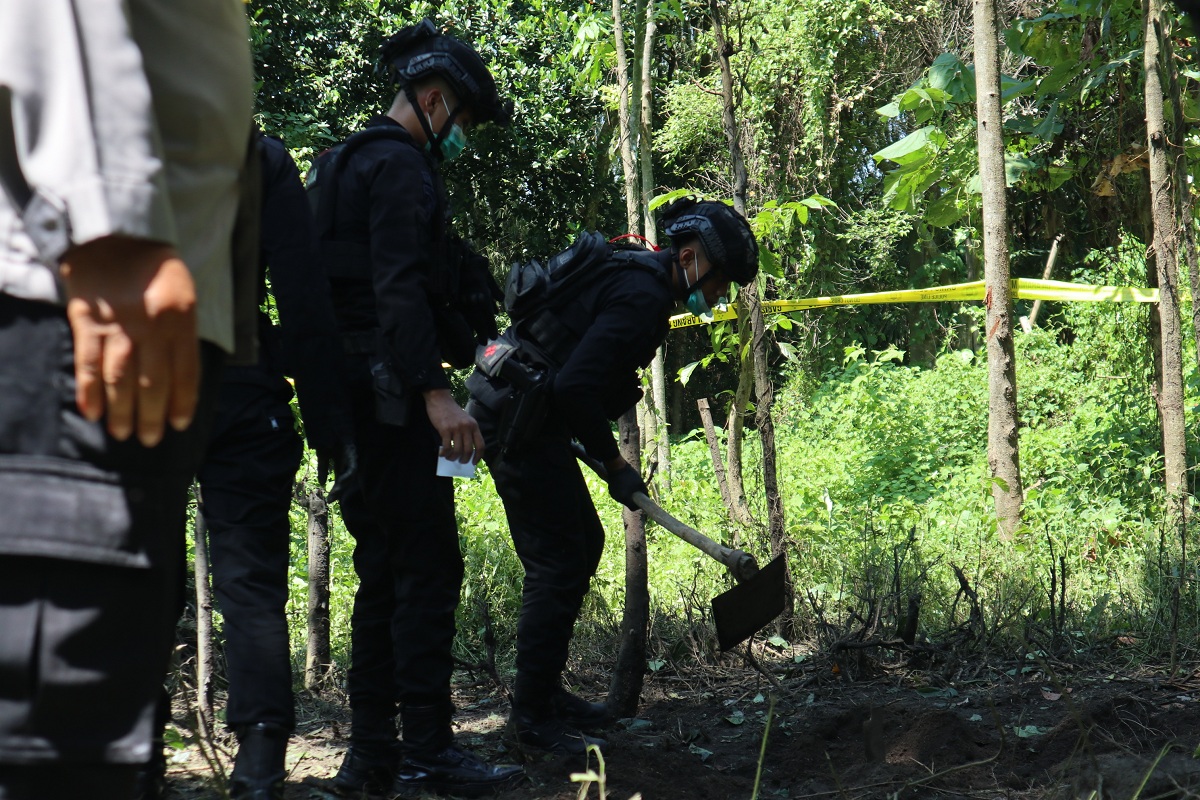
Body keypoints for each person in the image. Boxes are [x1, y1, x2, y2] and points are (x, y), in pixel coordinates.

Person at [0, 3, 254, 800]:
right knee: (51, 748)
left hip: (121, 311)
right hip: (78, 301)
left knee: (98, 728)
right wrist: (104, 216)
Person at [308, 19, 522, 797]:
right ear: (433, 101)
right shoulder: (400, 168)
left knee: (383, 574)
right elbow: (398, 289)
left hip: (347, 406)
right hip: (396, 404)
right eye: (460, 121)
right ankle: (431, 752)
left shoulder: (337, 165)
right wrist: (437, 396)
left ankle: (371, 761)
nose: (459, 137)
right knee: (429, 569)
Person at [466, 198, 760, 756]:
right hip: (515, 422)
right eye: (720, 283)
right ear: (691, 257)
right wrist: (616, 466)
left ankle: (545, 696)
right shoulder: (645, 295)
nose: (719, 296)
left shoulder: (638, 273)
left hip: (531, 416)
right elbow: (576, 387)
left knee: (584, 543)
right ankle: (530, 721)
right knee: (556, 563)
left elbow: (578, 372)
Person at [192, 132, 355, 800]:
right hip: (239, 385)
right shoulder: (255, 153)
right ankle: (259, 765)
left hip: (132, 380)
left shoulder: (100, 123)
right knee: (250, 584)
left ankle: (128, 755)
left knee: (132, 574)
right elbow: (302, 296)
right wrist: (331, 430)